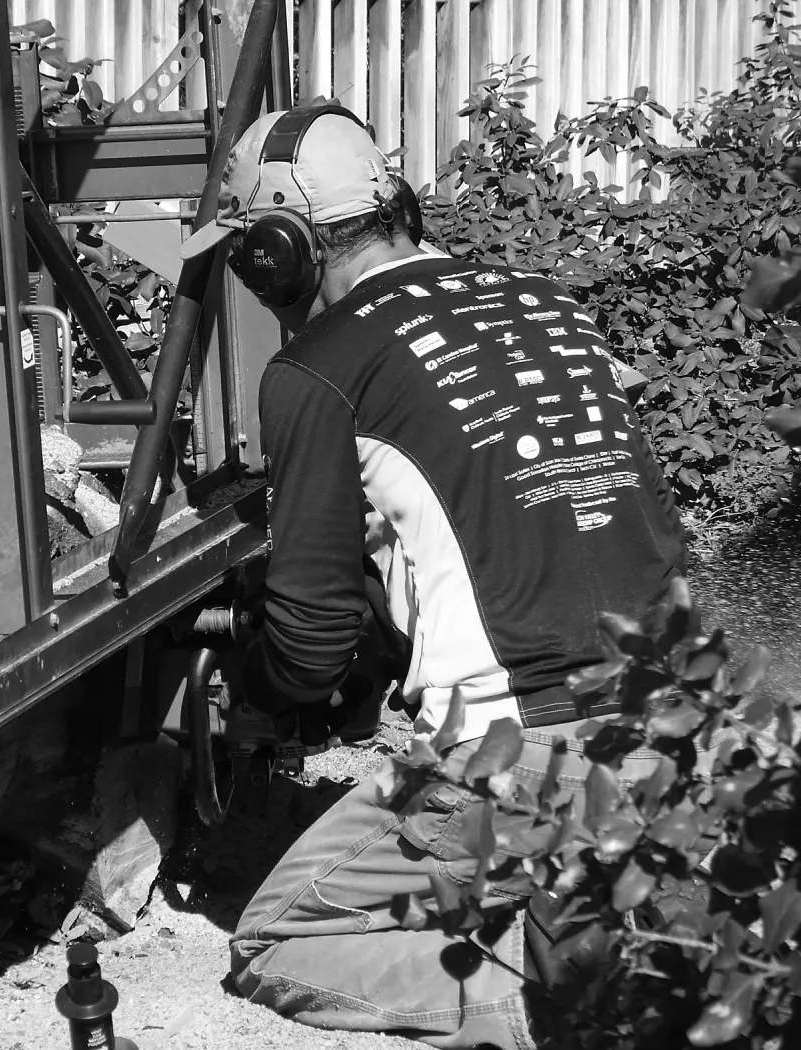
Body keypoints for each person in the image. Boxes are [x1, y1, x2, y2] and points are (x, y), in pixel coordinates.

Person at [177, 103, 689, 1048]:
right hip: (675, 721)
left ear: (277, 255)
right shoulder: (549, 306)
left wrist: (255, 680)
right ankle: (594, 922)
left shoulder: (320, 367)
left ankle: (561, 1009)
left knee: (275, 940)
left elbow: (311, 645)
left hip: (519, 746)